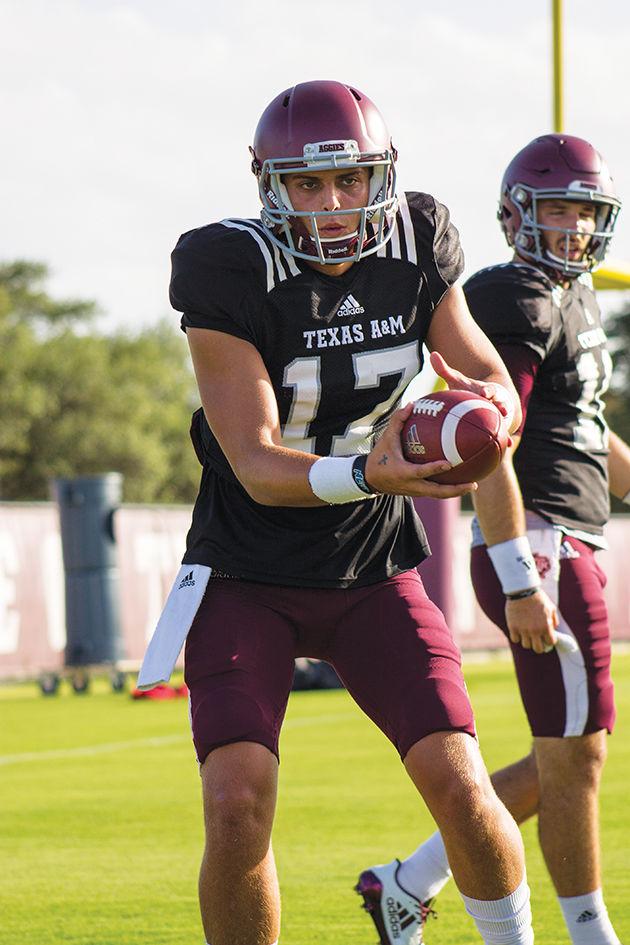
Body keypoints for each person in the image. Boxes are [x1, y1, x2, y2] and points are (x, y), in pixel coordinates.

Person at [137, 80, 537, 945]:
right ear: (267, 184)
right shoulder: (226, 267)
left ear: (379, 176)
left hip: (369, 571)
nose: (331, 203)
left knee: (462, 785)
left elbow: (487, 373)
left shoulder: (419, 241)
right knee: (236, 800)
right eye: (307, 185)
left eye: (350, 180)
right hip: (247, 570)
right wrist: (376, 470)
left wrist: (493, 419)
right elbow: (256, 463)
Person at [356, 133, 630, 945]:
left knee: (566, 756)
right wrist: (520, 575)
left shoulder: (574, 297)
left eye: (586, 213)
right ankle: (589, 934)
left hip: (569, 533)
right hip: (538, 541)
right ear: (519, 215)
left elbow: (585, 431)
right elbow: (488, 432)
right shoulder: (514, 298)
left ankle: (405, 882)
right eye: (559, 211)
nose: (575, 229)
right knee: (576, 761)